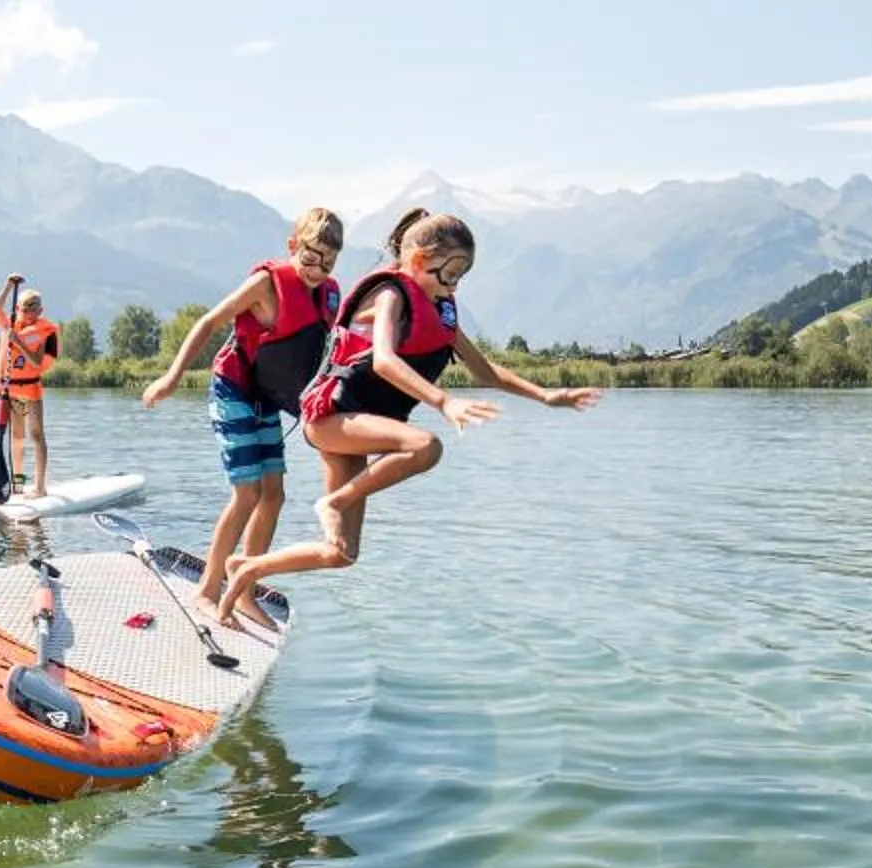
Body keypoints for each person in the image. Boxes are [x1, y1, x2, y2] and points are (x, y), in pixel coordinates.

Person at [214, 209, 600, 628]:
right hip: (334, 416)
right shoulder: (390, 295)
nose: (452, 284)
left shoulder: (441, 311)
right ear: (417, 261)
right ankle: (332, 502)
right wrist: (443, 402)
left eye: (460, 276)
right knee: (425, 445)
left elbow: (486, 371)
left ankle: (246, 571)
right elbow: (383, 360)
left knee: (341, 552)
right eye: (446, 273)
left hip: (361, 427)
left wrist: (546, 395)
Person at [140, 207, 345, 613]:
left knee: (275, 494)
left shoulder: (327, 294)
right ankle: (206, 589)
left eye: (328, 262)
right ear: (292, 246)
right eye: (309, 258)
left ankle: (246, 590)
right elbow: (209, 321)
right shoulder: (266, 284)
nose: (317, 270)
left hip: (265, 397)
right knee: (247, 493)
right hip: (232, 390)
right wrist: (172, 376)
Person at [0, 274, 61, 496]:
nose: (29, 312)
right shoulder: (11, 323)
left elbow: (36, 362)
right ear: (19, 309)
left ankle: (40, 487)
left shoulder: (43, 331)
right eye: (24, 308)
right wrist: (8, 286)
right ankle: (18, 485)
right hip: (10, 389)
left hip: (31, 389)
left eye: (33, 308)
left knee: (37, 434)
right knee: (17, 435)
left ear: (40, 311)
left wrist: (19, 342)